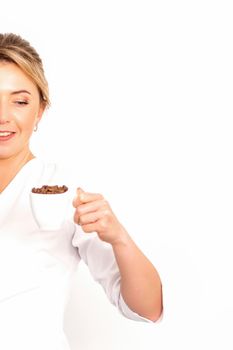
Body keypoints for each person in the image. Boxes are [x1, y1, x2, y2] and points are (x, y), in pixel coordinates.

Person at [0, 33, 163, 349]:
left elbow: (147, 309)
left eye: (19, 101)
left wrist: (118, 237)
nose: (3, 116)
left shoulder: (63, 193)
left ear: (40, 111)